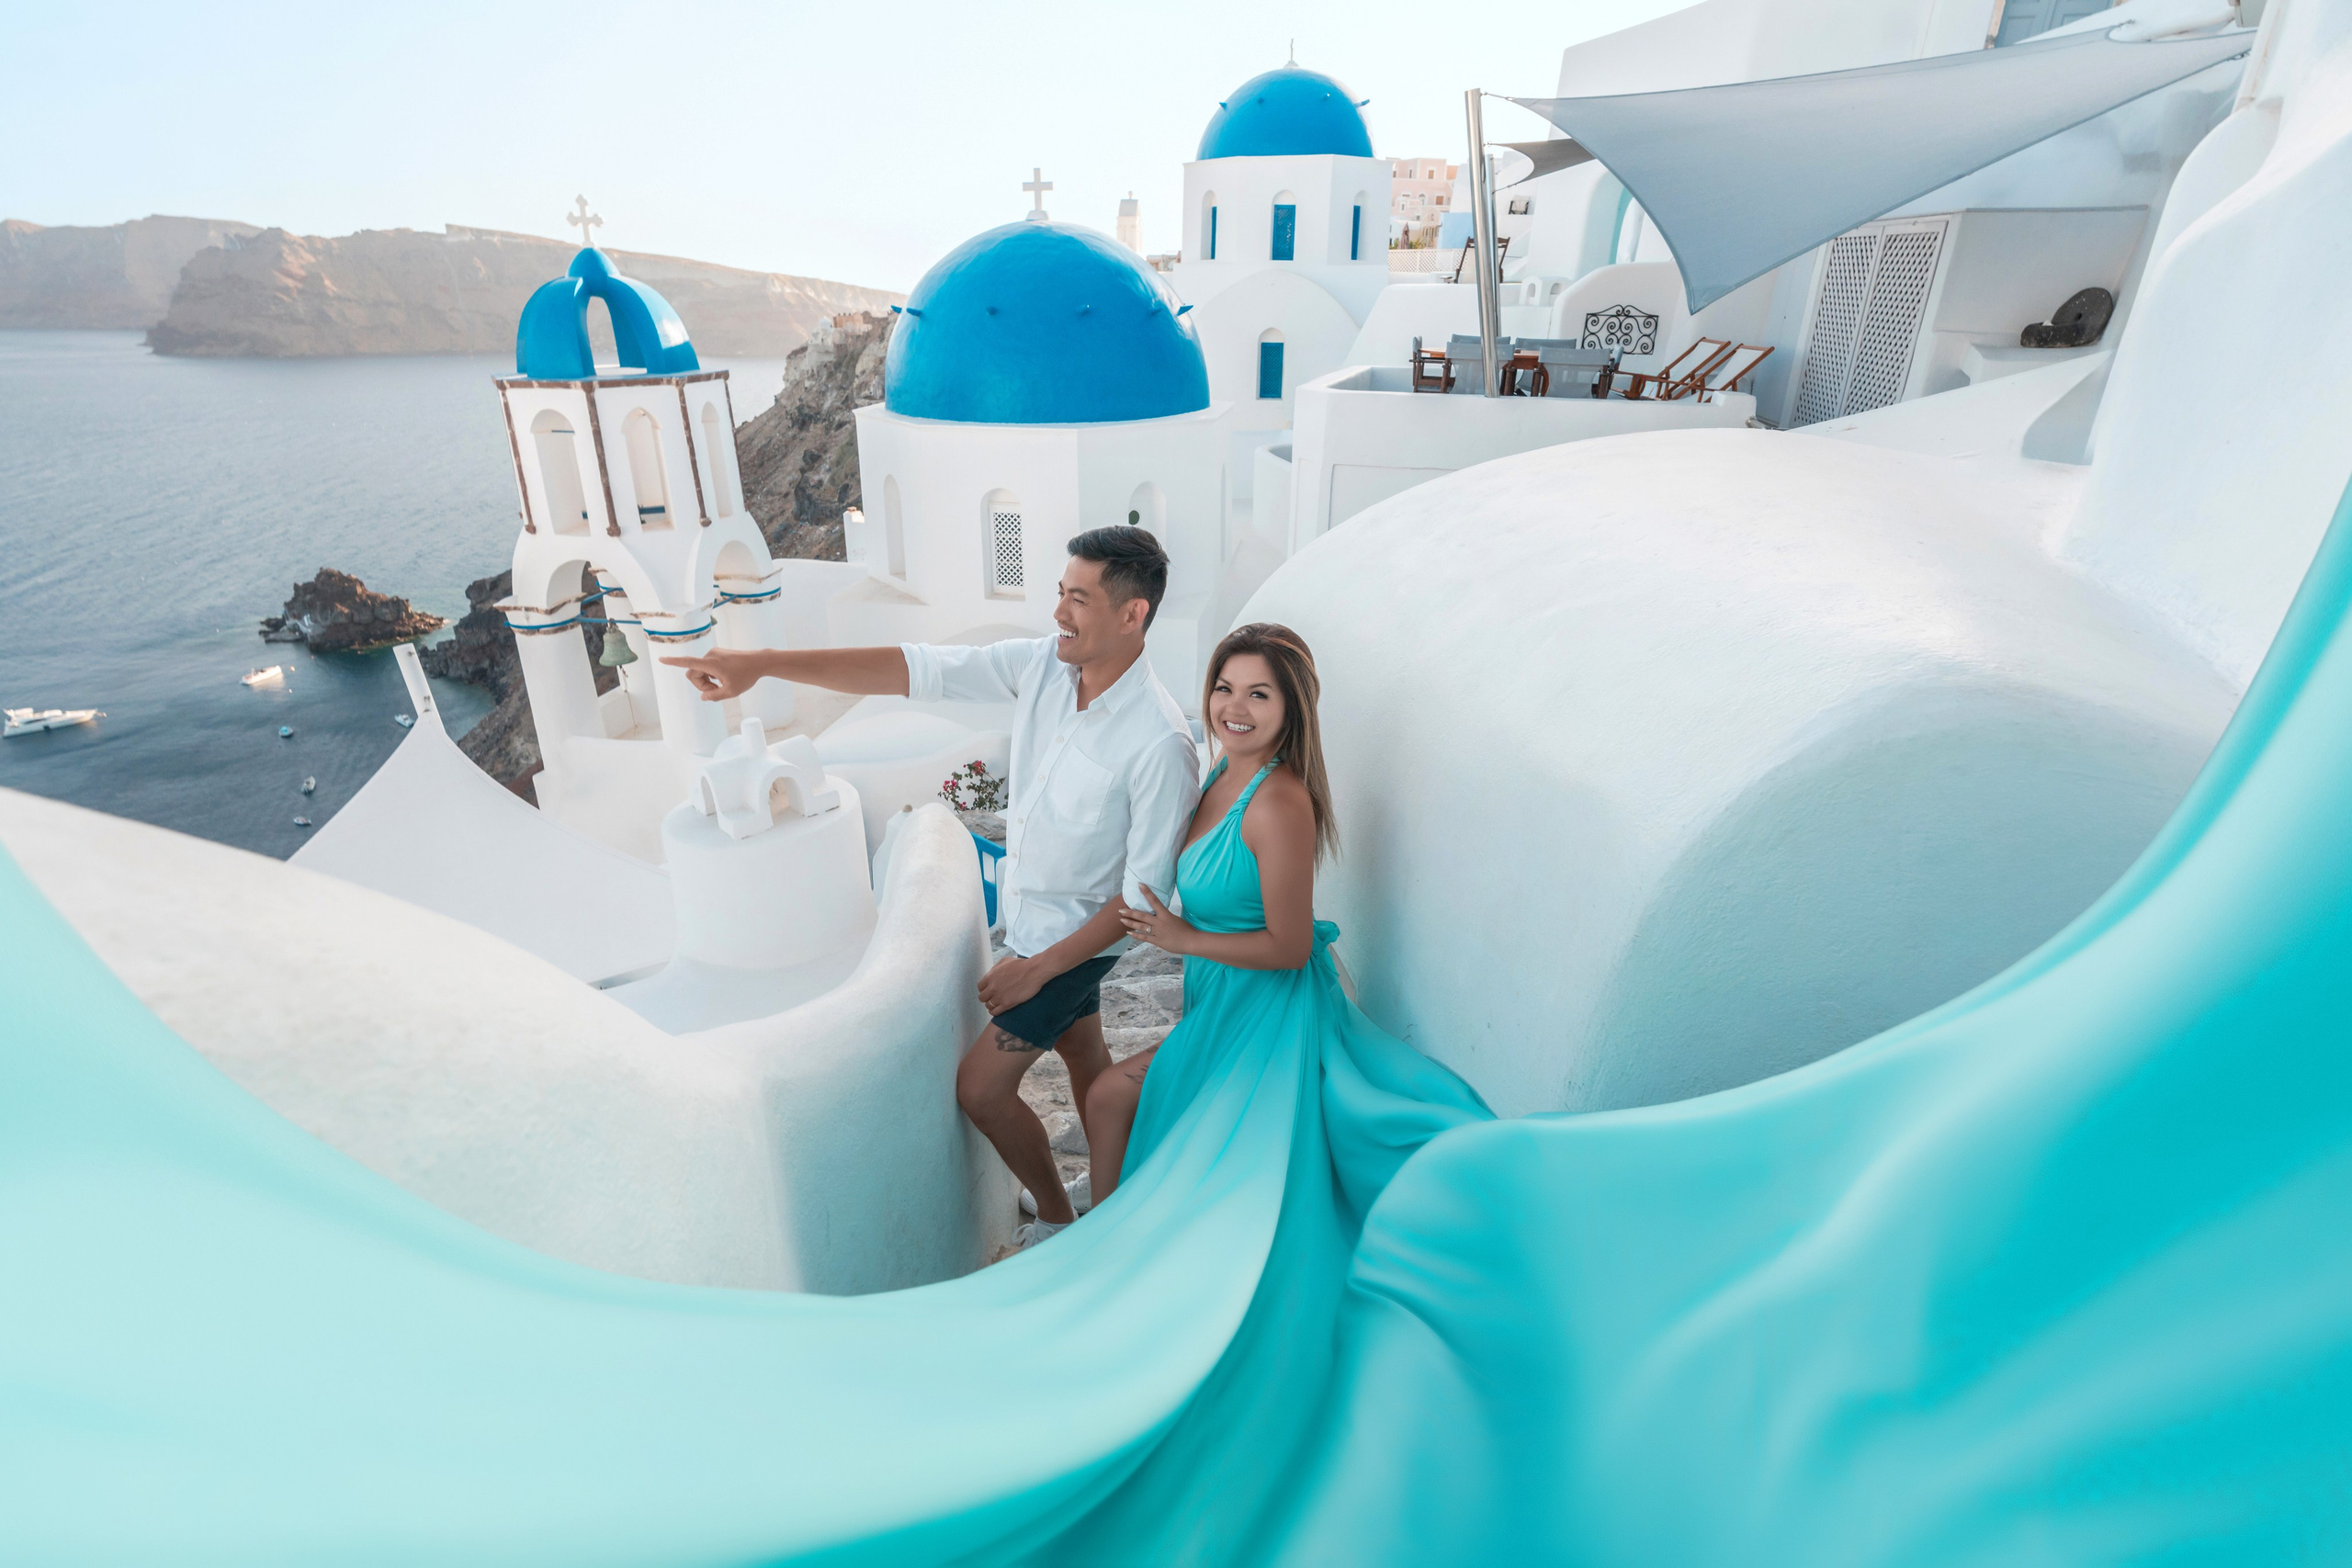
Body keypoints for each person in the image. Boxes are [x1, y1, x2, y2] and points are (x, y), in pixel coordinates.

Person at [662, 525, 1199, 1250]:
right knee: (1082, 1053)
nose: (1058, 612)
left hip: (1072, 948)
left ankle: (1057, 1217)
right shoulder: (1045, 666)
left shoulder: (1159, 741)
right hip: (1032, 923)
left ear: (1133, 614)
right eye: (1059, 593)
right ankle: (1117, 1183)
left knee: (980, 1088)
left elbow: (1139, 904)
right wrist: (762, 663)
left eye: (1078, 598)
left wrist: (1036, 968)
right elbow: (915, 669)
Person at [1088, 622, 1491, 1212]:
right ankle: (1117, 1236)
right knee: (1131, 1112)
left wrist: (1185, 938)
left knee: (1109, 1100)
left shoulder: (1276, 802)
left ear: (1291, 708)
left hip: (1266, 1012)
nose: (1235, 707)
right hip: (1222, 1002)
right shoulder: (1224, 768)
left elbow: (1291, 946)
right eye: (1225, 687)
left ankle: (1111, 1244)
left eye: (1259, 694)